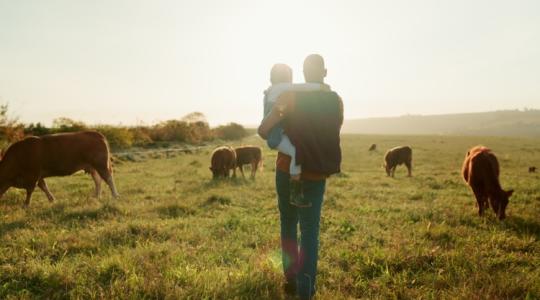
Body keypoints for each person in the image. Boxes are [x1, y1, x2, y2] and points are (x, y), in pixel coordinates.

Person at [258, 54, 343, 300]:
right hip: (316, 173)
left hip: (287, 170)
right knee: (309, 232)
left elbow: (264, 130)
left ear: (302, 74)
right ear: (324, 72)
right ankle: (306, 292)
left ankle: (291, 278)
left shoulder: (290, 97)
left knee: (288, 222)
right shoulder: (336, 101)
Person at [262, 63, 330, 207]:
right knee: (296, 152)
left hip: (277, 133)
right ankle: (295, 192)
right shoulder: (281, 88)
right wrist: (321, 87)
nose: (291, 82)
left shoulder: (272, 90)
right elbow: (302, 87)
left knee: (296, 149)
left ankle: (295, 189)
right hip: (276, 136)